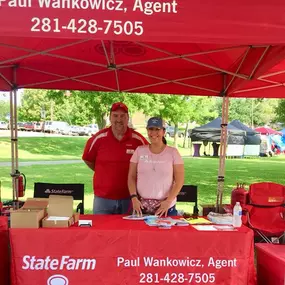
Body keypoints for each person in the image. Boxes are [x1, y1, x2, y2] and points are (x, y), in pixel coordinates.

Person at [82, 102, 148, 214]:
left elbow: (148, 162)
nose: (119, 119)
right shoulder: (98, 139)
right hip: (103, 198)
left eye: (122, 116)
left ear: (128, 118)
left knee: (129, 231)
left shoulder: (138, 140)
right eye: (115, 115)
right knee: (101, 231)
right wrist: (103, 170)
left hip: (130, 198)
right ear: (110, 117)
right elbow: (88, 159)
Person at [128, 117, 184, 217]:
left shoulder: (173, 152)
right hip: (141, 207)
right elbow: (131, 176)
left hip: (165, 207)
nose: (154, 133)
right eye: (151, 129)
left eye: (157, 129)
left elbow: (179, 181)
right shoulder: (139, 151)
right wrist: (134, 197)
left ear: (163, 131)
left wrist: (168, 201)